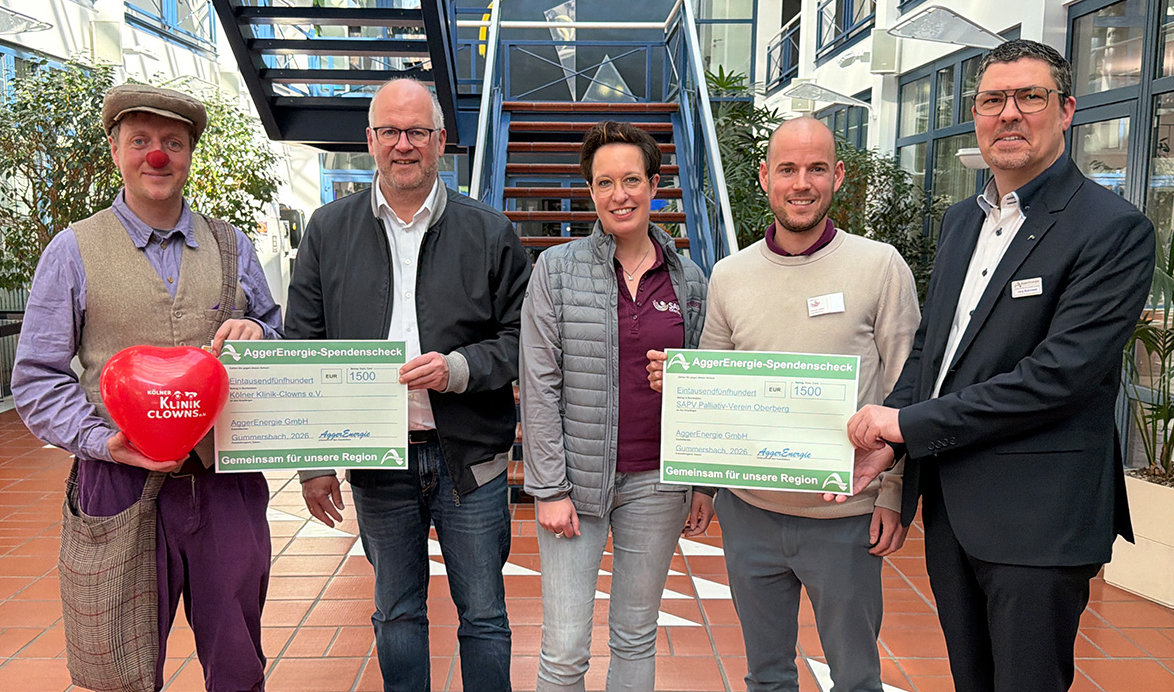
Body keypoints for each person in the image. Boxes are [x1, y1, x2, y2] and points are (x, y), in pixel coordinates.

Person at [845, 40, 1156, 692]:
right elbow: (933, 350)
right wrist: (890, 440)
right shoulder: (963, 221)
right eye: (992, 100)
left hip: (1038, 519)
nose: (1008, 113)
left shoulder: (1112, 228)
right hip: (952, 509)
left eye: (1029, 97)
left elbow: (1058, 377)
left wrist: (905, 427)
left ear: (1066, 110)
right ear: (976, 117)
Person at [12, 83, 282, 691]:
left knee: (238, 663)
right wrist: (103, 442)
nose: (156, 155)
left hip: (223, 481)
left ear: (189, 155)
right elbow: (36, 377)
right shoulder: (73, 250)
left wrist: (260, 334)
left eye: (172, 143)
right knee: (119, 668)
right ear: (115, 151)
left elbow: (275, 336)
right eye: (140, 141)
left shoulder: (232, 245)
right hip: (117, 483)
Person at [649, 117, 920, 691]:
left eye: (816, 169)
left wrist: (894, 492)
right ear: (765, 176)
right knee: (767, 676)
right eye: (788, 169)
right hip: (751, 513)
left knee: (856, 678)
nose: (802, 183)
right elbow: (717, 387)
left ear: (838, 176)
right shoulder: (730, 275)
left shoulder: (879, 267)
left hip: (845, 514)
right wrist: (704, 481)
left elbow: (908, 388)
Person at [285, 78, 530, 692]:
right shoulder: (327, 230)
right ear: (369, 139)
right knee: (395, 613)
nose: (403, 144)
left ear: (440, 141)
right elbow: (302, 347)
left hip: (470, 459)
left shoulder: (489, 231)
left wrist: (457, 369)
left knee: (484, 615)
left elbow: (522, 339)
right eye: (390, 131)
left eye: (417, 131)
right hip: (376, 460)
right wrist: (313, 461)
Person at [520, 120, 713, 691]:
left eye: (631, 180)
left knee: (635, 637)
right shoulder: (557, 270)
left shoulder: (688, 281)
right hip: (574, 484)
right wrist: (548, 489)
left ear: (654, 185)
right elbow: (539, 383)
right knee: (563, 650)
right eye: (604, 183)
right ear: (591, 191)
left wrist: (703, 481)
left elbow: (708, 386)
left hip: (657, 484)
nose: (619, 194)